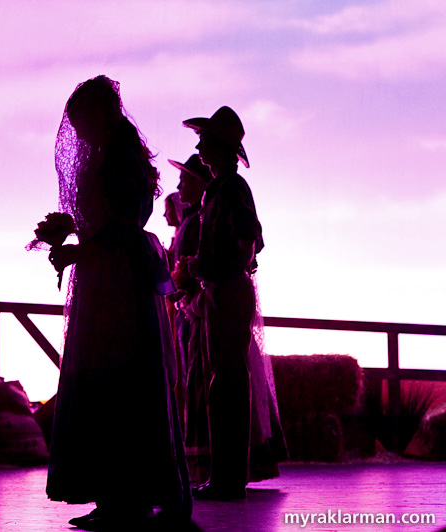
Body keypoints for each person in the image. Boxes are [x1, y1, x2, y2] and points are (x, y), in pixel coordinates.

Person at [46, 76, 191, 530]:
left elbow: (122, 225)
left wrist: (76, 248)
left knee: (118, 381)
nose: (80, 135)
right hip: (107, 274)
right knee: (110, 382)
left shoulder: (119, 159)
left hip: (118, 280)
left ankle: (125, 498)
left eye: (81, 123)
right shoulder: (116, 155)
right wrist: (72, 232)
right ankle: (115, 493)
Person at [181, 106, 286, 500]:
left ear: (220, 147)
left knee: (227, 379)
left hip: (227, 288)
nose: (199, 144)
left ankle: (229, 477)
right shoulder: (219, 188)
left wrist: (224, 270)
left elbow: (248, 237)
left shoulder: (231, 188)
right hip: (219, 286)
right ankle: (225, 474)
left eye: (205, 139)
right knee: (221, 379)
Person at [166, 155, 212, 424]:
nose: (180, 186)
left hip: (194, 305)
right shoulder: (190, 220)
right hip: (185, 305)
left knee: (195, 366)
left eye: (184, 180)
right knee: (186, 364)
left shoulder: (198, 221)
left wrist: (184, 283)